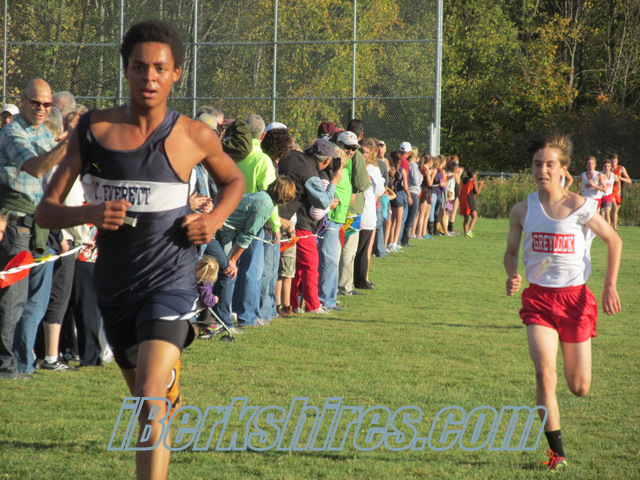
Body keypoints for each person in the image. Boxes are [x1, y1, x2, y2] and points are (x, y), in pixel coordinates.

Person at [34, 19, 245, 480]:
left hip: (171, 281)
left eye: (160, 68)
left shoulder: (194, 135)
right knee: (146, 401)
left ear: (177, 73)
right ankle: (168, 392)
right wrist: (91, 213)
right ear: (125, 69)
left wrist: (212, 220)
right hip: (115, 285)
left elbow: (234, 180)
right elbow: (46, 211)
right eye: (139, 67)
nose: (149, 77)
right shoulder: (93, 129)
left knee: (150, 400)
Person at [504, 133, 622, 472]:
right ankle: (557, 454)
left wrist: (609, 285)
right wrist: (512, 274)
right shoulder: (522, 209)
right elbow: (510, 253)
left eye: (549, 164)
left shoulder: (580, 206)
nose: (542, 170)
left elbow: (614, 240)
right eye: (537, 164)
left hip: (575, 301)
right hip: (539, 300)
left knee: (579, 386)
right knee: (544, 374)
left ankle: (560, 442)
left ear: (563, 168)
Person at [0, 78, 69, 380]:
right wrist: (68, 144)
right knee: (12, 301)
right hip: (16, 228)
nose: (41, 109)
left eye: (47, 104)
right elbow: (38, 167)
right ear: (23, 100)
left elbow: (61, 161)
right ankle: (5, 366)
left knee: (32, 304)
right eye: (35, 103)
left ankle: (20, 364)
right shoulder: (12, 132)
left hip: (38, 228)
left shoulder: (42, 132)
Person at [609, 153, 632, 231]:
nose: (614, 163)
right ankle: (614, 228)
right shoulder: (608, 168)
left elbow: (629, 180)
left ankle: (610, 227)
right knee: (613, 209)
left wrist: (620, 178)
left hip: (619, 192)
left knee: (615, 211)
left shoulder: (621, 169)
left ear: (617, 161)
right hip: (610, 191)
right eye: (612, 161)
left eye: (615, 161)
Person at [459, 169, 483, 238]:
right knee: (475, 217)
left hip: (463, 201)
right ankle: (469, 231)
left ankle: (465, 233)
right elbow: (477, 192)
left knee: (466, 218)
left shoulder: (464, 181)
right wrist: (480, 185)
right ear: (473, 175)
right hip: (469, 201)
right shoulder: (473, 182)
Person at [599, 158, 620, 227]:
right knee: (602, 214)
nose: (607, 168)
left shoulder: (613, 176)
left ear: (610, 167)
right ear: (603, 167)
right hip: (600, 196)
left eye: (608, 166)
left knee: (607, 212)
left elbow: (618, 181)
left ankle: (608, 229)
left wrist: (619, 191)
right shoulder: (600, 175)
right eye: (605, 166)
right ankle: (602, 228)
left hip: (608, 196)